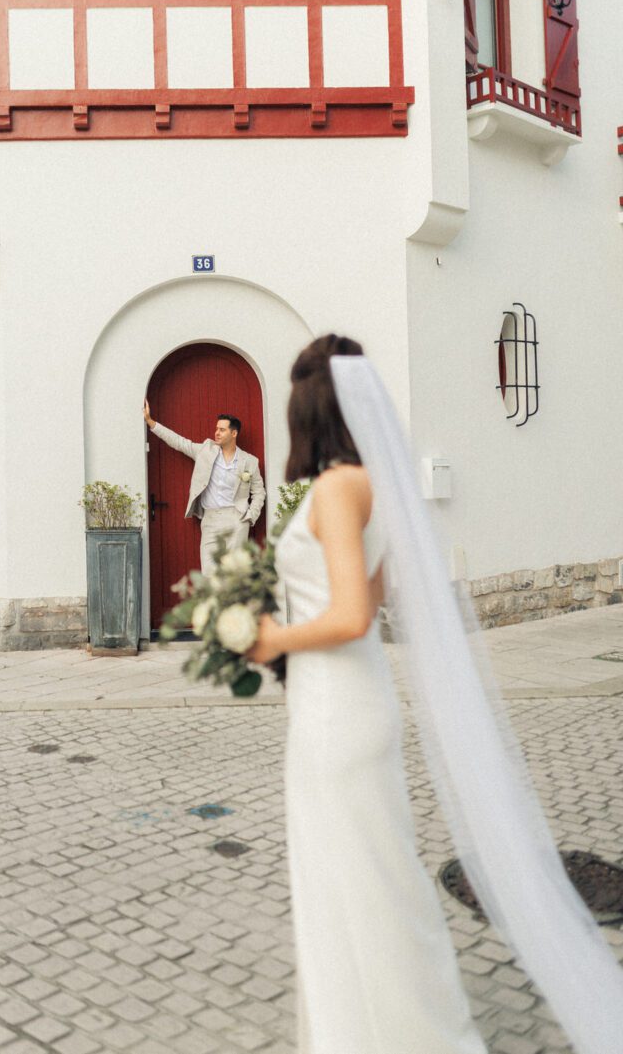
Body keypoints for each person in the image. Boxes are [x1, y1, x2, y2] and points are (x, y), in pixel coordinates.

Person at [249, 334, 623, 1054]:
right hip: (355, 704)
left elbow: (354, 613)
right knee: (372, 880)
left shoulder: (334, 488)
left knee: (360, 885)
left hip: (335, 716)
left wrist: (270, 638)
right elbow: (377, 593)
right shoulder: (372, 486)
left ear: (308, 405)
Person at [143, 401, 265, 574]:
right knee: (209, 575)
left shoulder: (250, 461)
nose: (217, 432)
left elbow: (259, 492)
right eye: (216, 428)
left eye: (222, 429)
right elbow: (179, 442)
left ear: (234, 433)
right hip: (211, 520)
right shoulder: (205, 451)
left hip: (236, 519)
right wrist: (151, 422)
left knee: (235, 576)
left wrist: (250, 516)